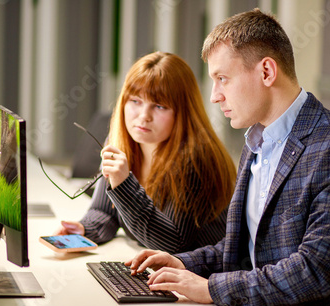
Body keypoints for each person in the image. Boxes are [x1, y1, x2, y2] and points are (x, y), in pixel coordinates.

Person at [127, 9, 330, 306]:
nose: (214, 96)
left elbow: (315, 271)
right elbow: (245, 247)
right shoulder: (258, 141)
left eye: (222, 78)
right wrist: (185, 263)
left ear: (267, 71)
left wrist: (210, 289)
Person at [56, 51, 236, 254]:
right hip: (160, 271)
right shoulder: (121, 142)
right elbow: (105, 212)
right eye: (135, 101)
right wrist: (84, 229)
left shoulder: (197, 158)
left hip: (201, 278)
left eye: (159, 106)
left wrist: (124, 185)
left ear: (183, 112)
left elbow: (173, 243)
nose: (143, 117)